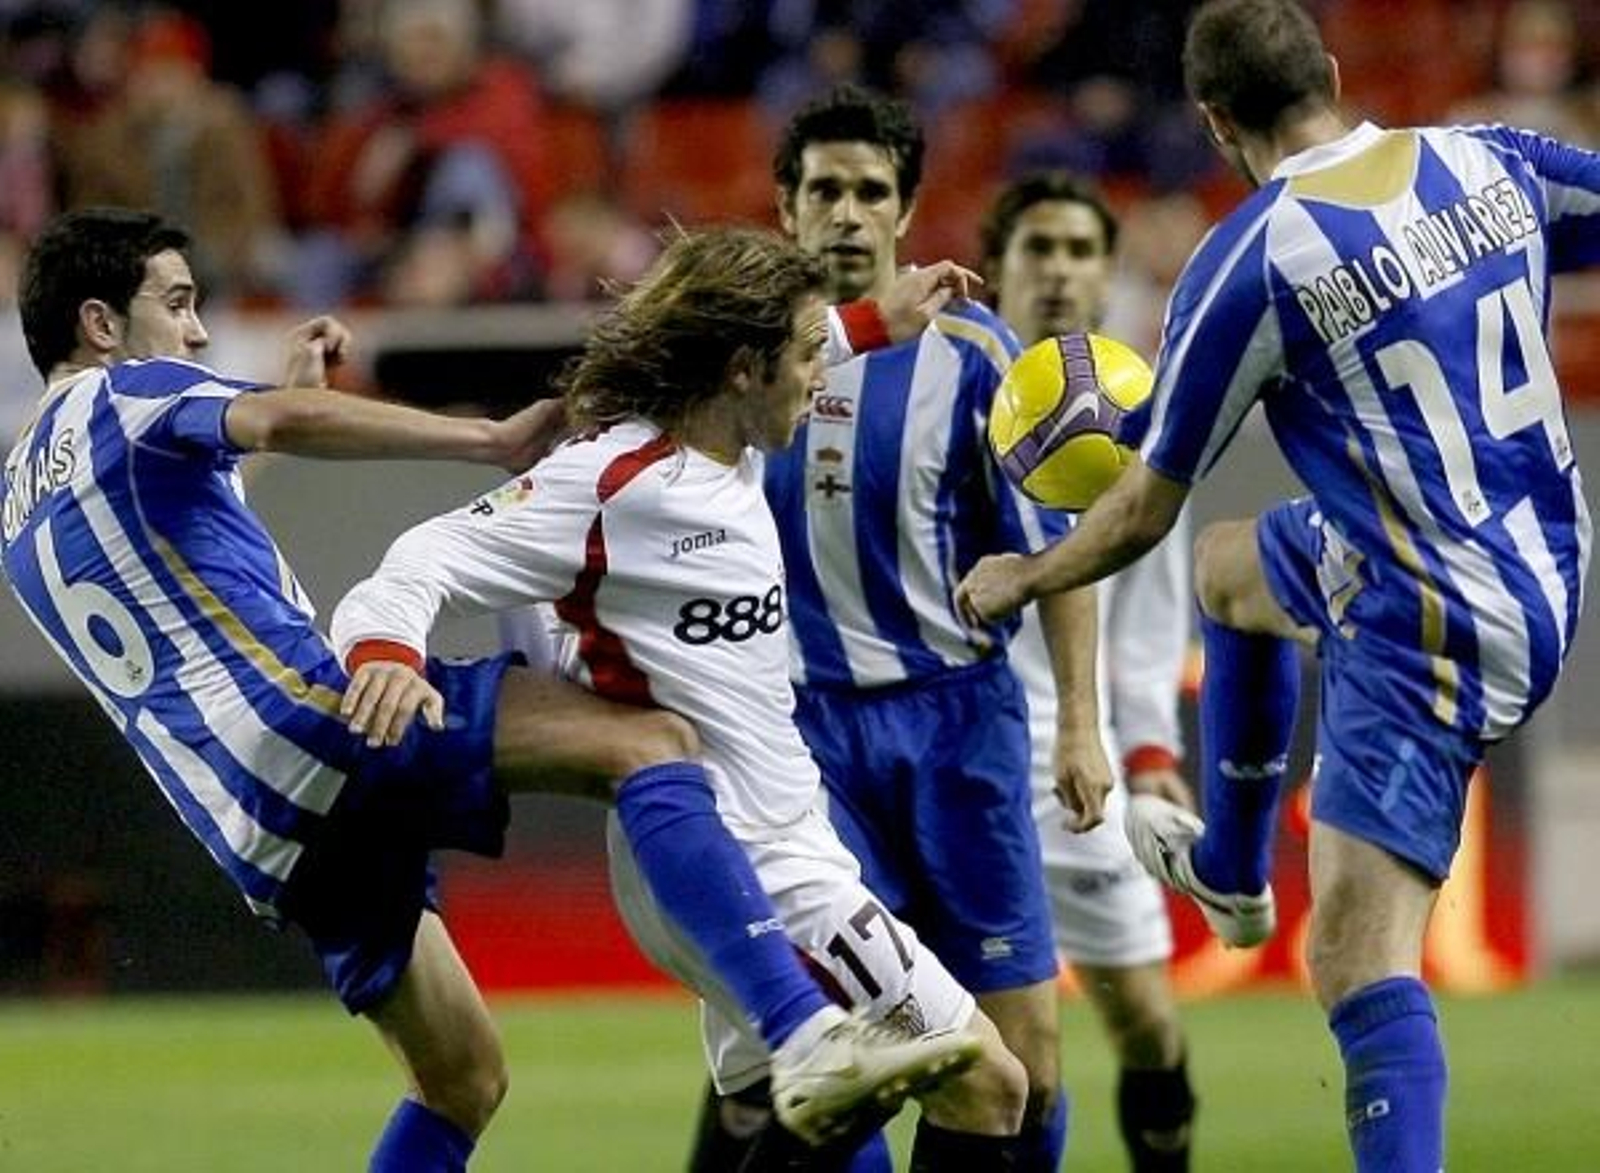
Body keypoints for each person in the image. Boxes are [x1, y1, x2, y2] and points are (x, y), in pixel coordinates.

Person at [0, 207, 985, 1172]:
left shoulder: (19, 504)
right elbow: (279, 417)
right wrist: (488, 441)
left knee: (461, 1082)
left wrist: (861, 326)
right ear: (99, 324)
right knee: (649, 746)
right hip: (316, 723)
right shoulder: (122, 394)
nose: (197, 332)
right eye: (177, 303)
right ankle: (804, 1031)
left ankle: (802, 1040)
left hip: (253, 824)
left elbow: (190, 544)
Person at [955, 2, 1600, 1170]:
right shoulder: (1485, 155)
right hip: (1544, 550)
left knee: (1355, 962)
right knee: (1231, 568)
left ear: (1214, 122)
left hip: (1435, 620)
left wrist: (1021, 575)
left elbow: (1138, 508)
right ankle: (1232, 872)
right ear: (1332, 73)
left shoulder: (1251, 259)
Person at [330, 224, 1034, 1168]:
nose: (819, 377)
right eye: (804, 356)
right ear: (741, 369)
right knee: (990, 1083)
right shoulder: (615, 480)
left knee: (830, 1136)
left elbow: (798, 342)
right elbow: (427, 556)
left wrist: (875, 319)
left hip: (766, 845)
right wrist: (386, 651)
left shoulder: (732, 437)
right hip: (750, 862)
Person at [690, 85, 1114, 1173]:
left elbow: (1054, 552)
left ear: (907, 209)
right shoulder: (733, 362)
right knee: (858, 1054)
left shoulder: (976, 356)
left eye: (871, 191)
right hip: (805, 744)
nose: (847, 213)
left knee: (1027, 1064)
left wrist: (1080, 721)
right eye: (824, 189)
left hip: (960, 726)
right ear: (785, 204)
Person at [979, 171, 1199, 1170]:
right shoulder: (948, 393)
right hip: (964, 755)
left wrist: (1149, 750)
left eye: (1080, 251)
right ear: (996, 269)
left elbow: (1149, 613)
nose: (1059, 272)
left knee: (1147, 1022)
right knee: (1008, 1048)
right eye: (1038, 249)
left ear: (1109, 275)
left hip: (1082, 761)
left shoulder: (1143, 420)